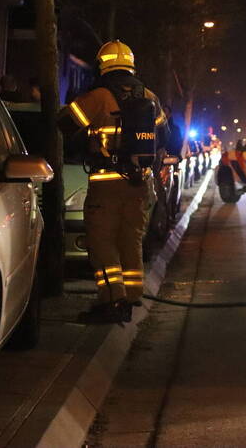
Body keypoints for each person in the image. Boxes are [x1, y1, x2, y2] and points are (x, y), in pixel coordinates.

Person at [57, 40, 169, 325]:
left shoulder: (99, 96)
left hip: (106, 184)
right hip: (139, 184)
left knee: (101, 242)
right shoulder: (150, 96)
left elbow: (64, 123)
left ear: (103, 64)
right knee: (131, 241)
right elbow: (168, 135)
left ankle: (111, 300)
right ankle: (131, 298)